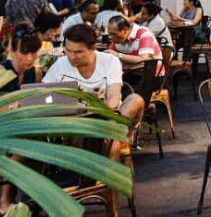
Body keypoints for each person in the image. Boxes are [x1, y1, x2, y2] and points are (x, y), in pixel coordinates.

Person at [43, 24, 145, 162]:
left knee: (135, 99)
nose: (72, 56)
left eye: (78, 52)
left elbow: (113, 100)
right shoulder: (61, 65)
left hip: (109, 118)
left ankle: (115, 141)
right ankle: (111, 160)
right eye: (68, 51)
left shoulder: (110, 62)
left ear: (92, 49)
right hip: (79, 125)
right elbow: (41, 95)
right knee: (114, 144)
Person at [0, 26, 44, 217]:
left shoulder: (35, 72)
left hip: (20, 127)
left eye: (33, 53)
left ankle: (30, 199)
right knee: (25, 149)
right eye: (24, 53)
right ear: (12, 50)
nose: (29, 58)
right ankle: (6, 200)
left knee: (40, 145)